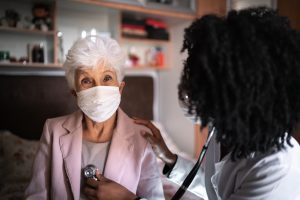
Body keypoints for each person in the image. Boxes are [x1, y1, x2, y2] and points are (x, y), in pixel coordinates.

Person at [84, 7, 300, 200]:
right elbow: (213, 185)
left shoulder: (276, 167)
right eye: (190, 74)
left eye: (198, 82)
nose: (186, 89)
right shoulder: (224, 129)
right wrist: (169, 158)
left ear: (238, 91)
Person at [24, 36, 164, 200]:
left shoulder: (142, 136)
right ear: (75, 94)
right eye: (86, 80)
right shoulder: (53, 130)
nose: (98, 89)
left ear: (120, 88)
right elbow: (36, 196)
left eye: (107, 78)